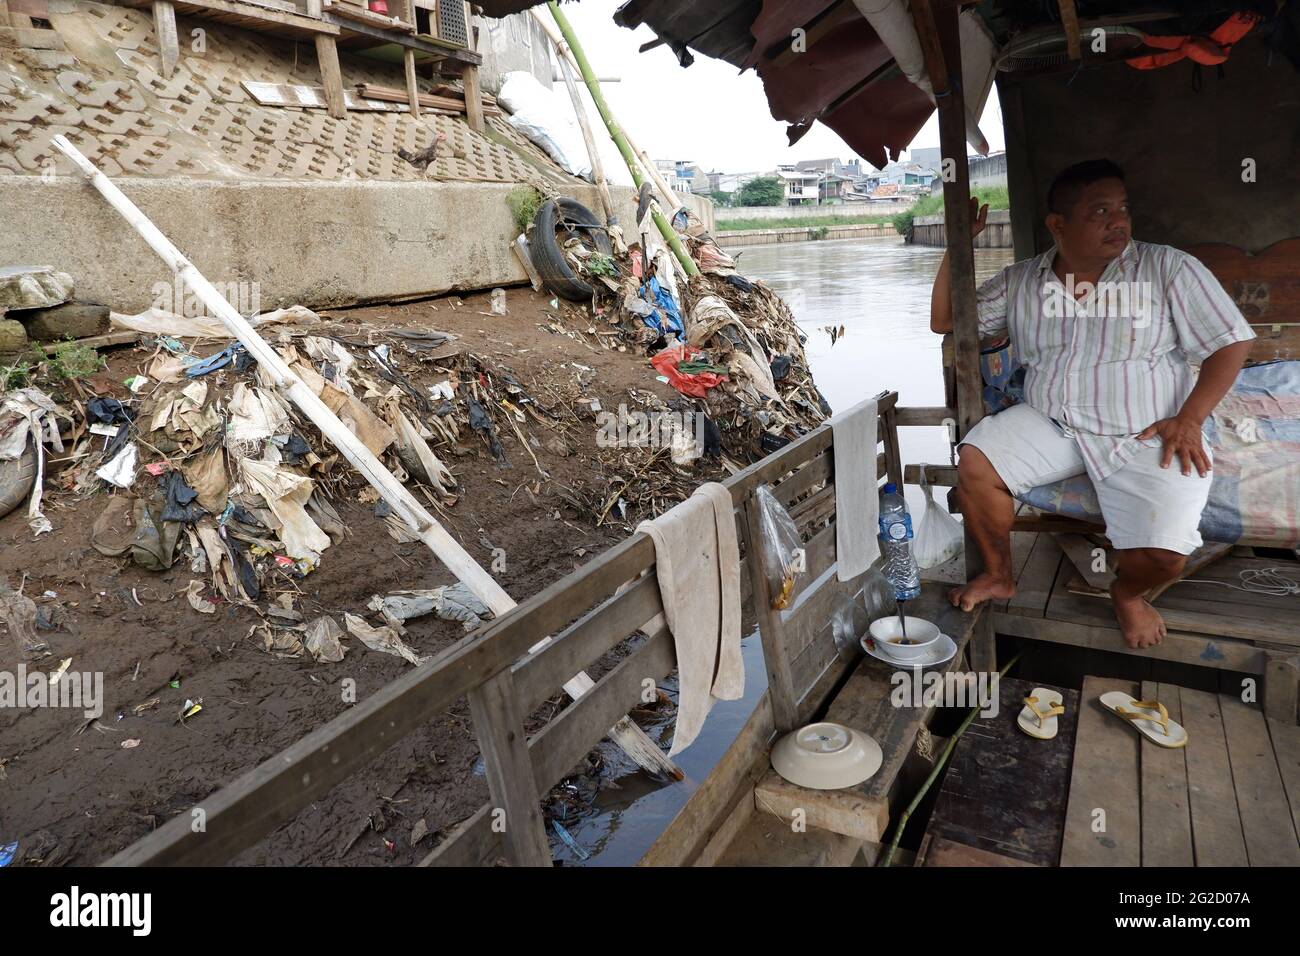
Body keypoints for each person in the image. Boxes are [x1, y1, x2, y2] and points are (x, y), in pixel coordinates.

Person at [929, 159, 1255, 648]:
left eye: (1122, 208)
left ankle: (1126, 594)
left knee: (1167, 555)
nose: (1118, 220)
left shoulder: (1166, 267)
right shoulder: (1022, 282)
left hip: (1144, 430)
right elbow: (946, 321)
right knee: (975, 461)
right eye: (1099, 211)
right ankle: (999, 574)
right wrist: (959, 245)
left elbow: (1231, 342)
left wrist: (1190, 419)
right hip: (1051, 421)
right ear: (1058, 226)